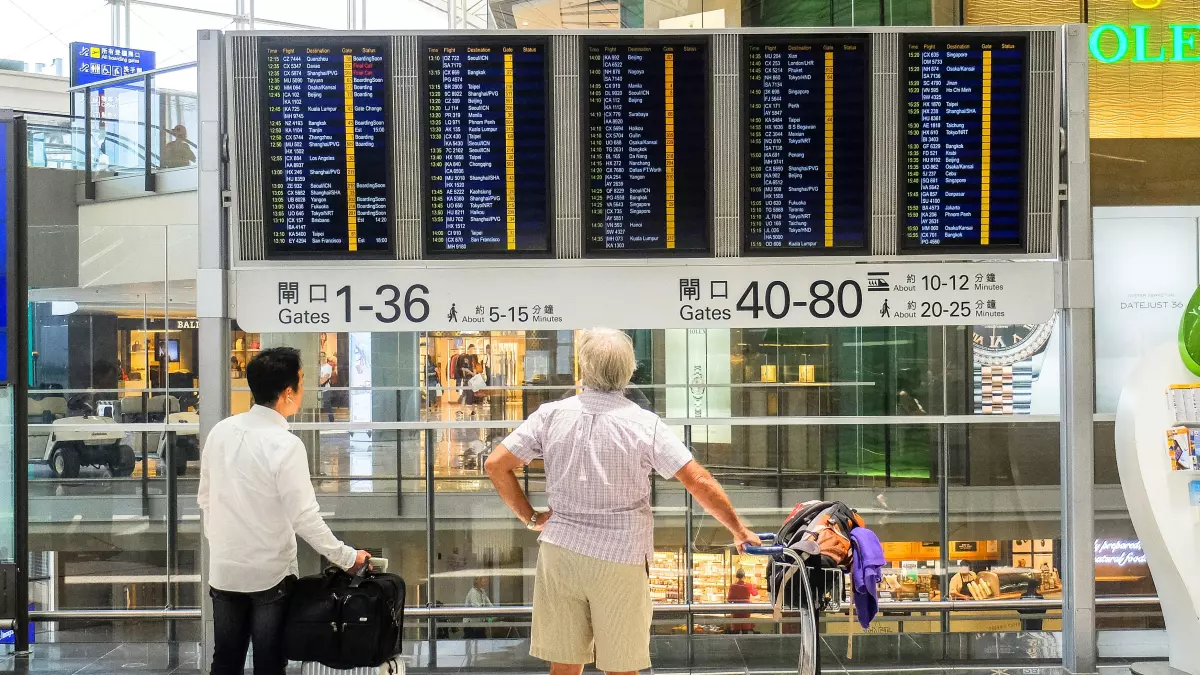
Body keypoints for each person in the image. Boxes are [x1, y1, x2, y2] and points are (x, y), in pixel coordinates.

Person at [485, 328, 760, 675]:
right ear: (629, 372)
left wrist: (530, 517)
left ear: (583, 369)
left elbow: (496, 465)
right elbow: (697, 479)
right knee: (621, 669)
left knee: (564, 668)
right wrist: (737, 528)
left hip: (560, 551)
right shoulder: (644, 424)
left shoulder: (550, 415)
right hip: (620, 556)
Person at [199, 347, 369, 675]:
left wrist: (225, 545)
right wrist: (347, 558)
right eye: (303, 383)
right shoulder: (285, 445)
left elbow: (205, 500)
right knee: (269, 662)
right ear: (288, 392)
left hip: (224, 570)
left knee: (225, 661)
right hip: (269, 576)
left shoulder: (220, 432)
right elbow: (304, 516)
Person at [726, 568, 759, 634]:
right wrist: (754, 585)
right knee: (745, 629)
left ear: (736, 577)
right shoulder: (749, 585)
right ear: (744, 577)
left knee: (736, 629)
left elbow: (729, 599)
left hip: (736, 610)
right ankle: (744, 641)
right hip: (746, 610)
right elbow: (755, 593)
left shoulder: (732, 586)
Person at [319, 355, 336, 423]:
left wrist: (319, 380)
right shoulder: (317, 366)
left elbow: (324, 379)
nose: (322, 358)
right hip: (317, 389)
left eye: (324, 356)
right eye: (321, 356)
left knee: (327, 405)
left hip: (325, 389)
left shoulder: (328, 367)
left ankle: (331, 421)